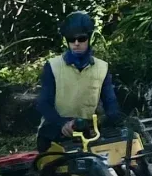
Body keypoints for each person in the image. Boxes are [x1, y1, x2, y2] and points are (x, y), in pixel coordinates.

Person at [36, 10, 121, 151]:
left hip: (87, 131)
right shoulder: (52, 66)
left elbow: (110, 104)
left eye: (81, 39)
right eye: (71, 39)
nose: (76, 44)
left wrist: (106, 123)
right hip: (54, 130)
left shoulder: (102, 68)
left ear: (90, 38)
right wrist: (62, 123)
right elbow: (43, 103)